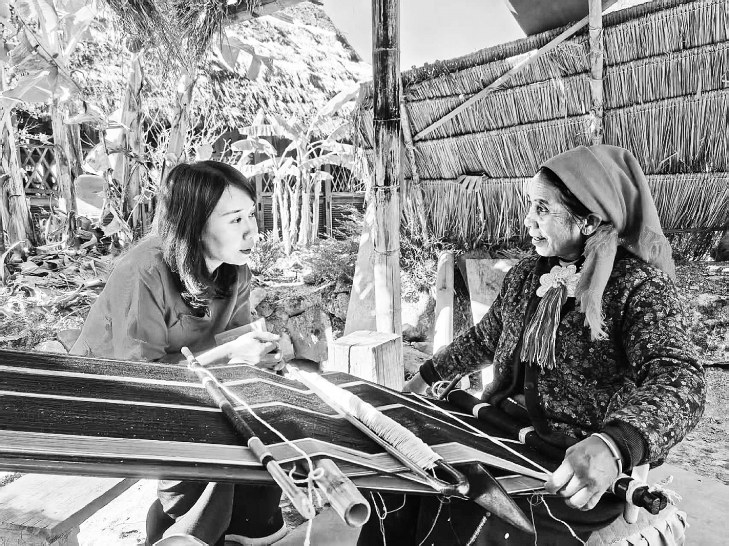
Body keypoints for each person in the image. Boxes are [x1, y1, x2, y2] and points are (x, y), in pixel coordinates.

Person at [392, 145, 706, 545]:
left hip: (571, 455)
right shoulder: (526, 275)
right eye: (530, 205)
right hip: (498, 427)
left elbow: (680, 379)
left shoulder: (639, 288)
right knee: (405, 483)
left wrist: (616, 445)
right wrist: (424, 377)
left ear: (589, 221)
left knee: (472, 518)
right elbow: (486, 338)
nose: (528, 220)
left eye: (542, 208)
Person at [71, 161, 287, 546]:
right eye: (235, 219)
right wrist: (231, 355)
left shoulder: (234, 270)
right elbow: (141, 378)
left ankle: (239, 525)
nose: (251, 230)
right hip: (107, 399)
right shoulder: (143, 272)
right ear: (195, 225)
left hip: (187, 387)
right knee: (217, 431)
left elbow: (239, 342)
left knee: (267, 409)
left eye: (252, 214)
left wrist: (263, 356)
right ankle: (182, 528)